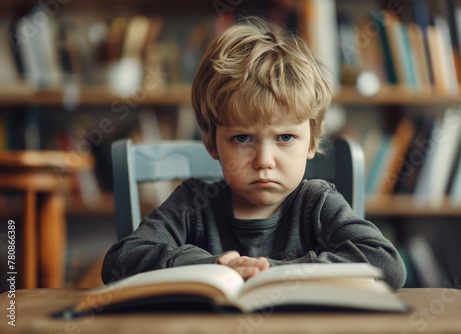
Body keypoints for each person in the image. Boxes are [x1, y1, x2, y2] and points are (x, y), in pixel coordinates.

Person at [101, 17, 406, 289]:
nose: (263, 161)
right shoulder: (193, 205)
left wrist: (276, 273)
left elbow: (385, 263)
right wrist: (216, 267)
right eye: (242, 138)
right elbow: (120, 261)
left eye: (285, 137)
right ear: (212, 144)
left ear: (312, 142)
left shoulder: (317, 203)